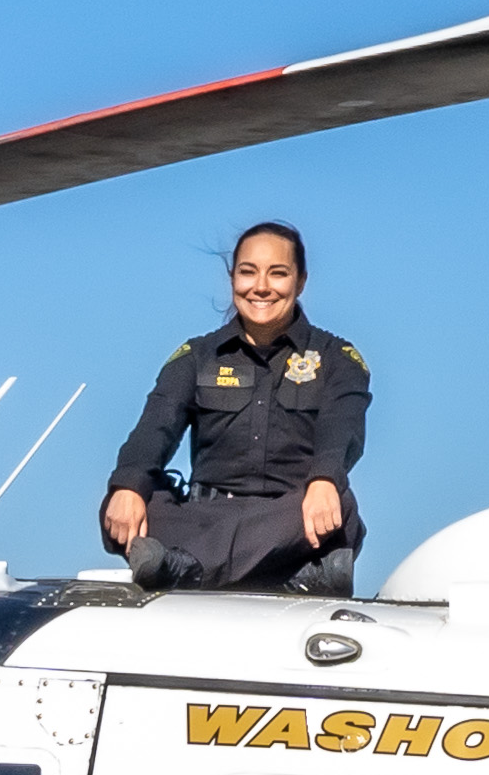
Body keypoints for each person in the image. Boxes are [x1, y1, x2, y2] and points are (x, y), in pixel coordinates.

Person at [103, 220, 374, 593]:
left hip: (291, 518)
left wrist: (325, 478)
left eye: (277, 274)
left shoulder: (337, 358)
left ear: (301, 281)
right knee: (124, 496)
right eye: (248, 272)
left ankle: (189, 569)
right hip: (204, 518)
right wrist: (129, 487)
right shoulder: (196, 356)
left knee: (338, 504)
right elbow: (155, 428)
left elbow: (341, 432)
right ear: (232, 278)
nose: (261, 286)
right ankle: (290, 575)